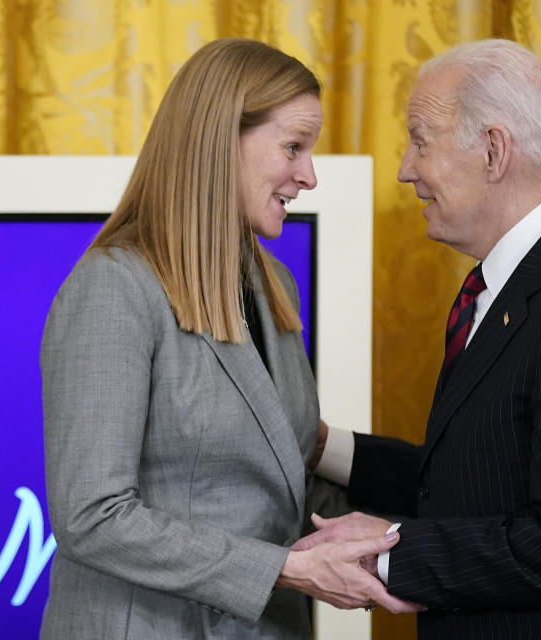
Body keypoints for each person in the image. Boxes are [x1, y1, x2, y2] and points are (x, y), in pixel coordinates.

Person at [39, 38, 412, 640]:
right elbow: (92, 515)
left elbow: (273, 481)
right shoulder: (113, 288)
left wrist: (406, 541)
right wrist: (288, 569)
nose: (309, 175)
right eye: (293, 147)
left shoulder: (274, 284)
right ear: (218, 141)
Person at [301, 39, 541, 638]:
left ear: (493, 151)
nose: (405, 168)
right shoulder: (509, 286)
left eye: (421, 141)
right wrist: (323, 447)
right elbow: (473, 482)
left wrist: (389, 556)